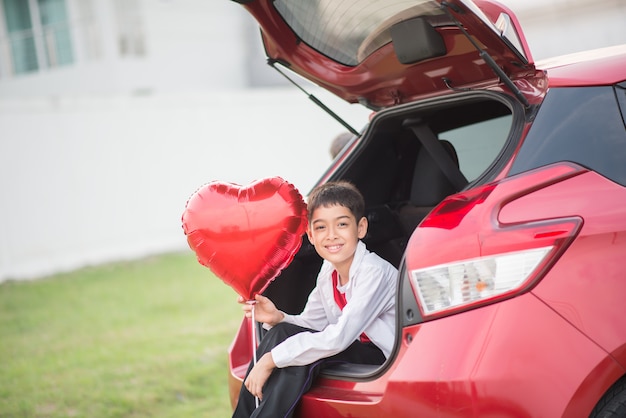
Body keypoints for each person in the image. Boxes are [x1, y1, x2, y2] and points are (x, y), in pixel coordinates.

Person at [232, 181, 398, 418]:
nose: (331, 235)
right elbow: (313, 323)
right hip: (351, 347)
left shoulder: (374, 272)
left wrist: (271, 360)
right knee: (281, 333)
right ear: (310, 235)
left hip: (379, 355)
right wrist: (279, 317)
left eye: (341, 224)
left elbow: (338, 338)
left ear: (360, 228)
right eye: (321, 228)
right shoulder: (328, 270)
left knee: (299, 356)